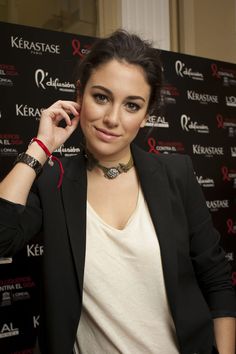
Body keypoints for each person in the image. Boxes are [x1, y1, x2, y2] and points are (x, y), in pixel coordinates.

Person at [0, 30, 235, 354]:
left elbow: (217, 281)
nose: (112, 118)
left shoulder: (176, 174)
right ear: (80, 93)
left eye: (132, 105)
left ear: (146, 114)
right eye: (101, 97)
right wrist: (41, 147)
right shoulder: (55, 181)